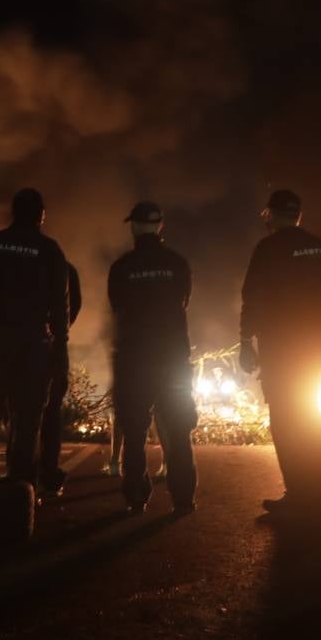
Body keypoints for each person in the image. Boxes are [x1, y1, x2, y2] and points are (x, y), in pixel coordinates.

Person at [239, 189, 321, 518]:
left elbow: (252, 298)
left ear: (270, 214)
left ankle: (298, 494)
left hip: (280, 349)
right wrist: (320, 335)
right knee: (309, 415)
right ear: (298, 214)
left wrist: (245, 342)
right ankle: (318, 491)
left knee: (285, 420)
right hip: (313, 348)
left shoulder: (268, 248)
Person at [0, 188, 69, 488]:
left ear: (13, 212)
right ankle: (21, 489)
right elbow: (60, 308)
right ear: (41, 216)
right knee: (28, 418)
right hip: (34, 344)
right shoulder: (50, 250)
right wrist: (60, 352)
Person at [108, 201, 197, 515]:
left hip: (134, 359)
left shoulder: (122, 267)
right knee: (177, 428)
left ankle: (136, 496)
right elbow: (183, 302)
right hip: (171, 358)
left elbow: (117, 307)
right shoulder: (177, 264)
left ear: (133, 226)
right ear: (161, 226)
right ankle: (183, 498)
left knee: (133, 430)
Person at [37, 261, 81, 496]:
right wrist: (58, 330)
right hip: (52, 349)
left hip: (15, 348)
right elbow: (74, 305)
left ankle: (22, 473)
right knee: (51, 412)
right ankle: (49, 472)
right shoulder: (59, 262)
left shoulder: (3, 253)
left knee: (17, 412)